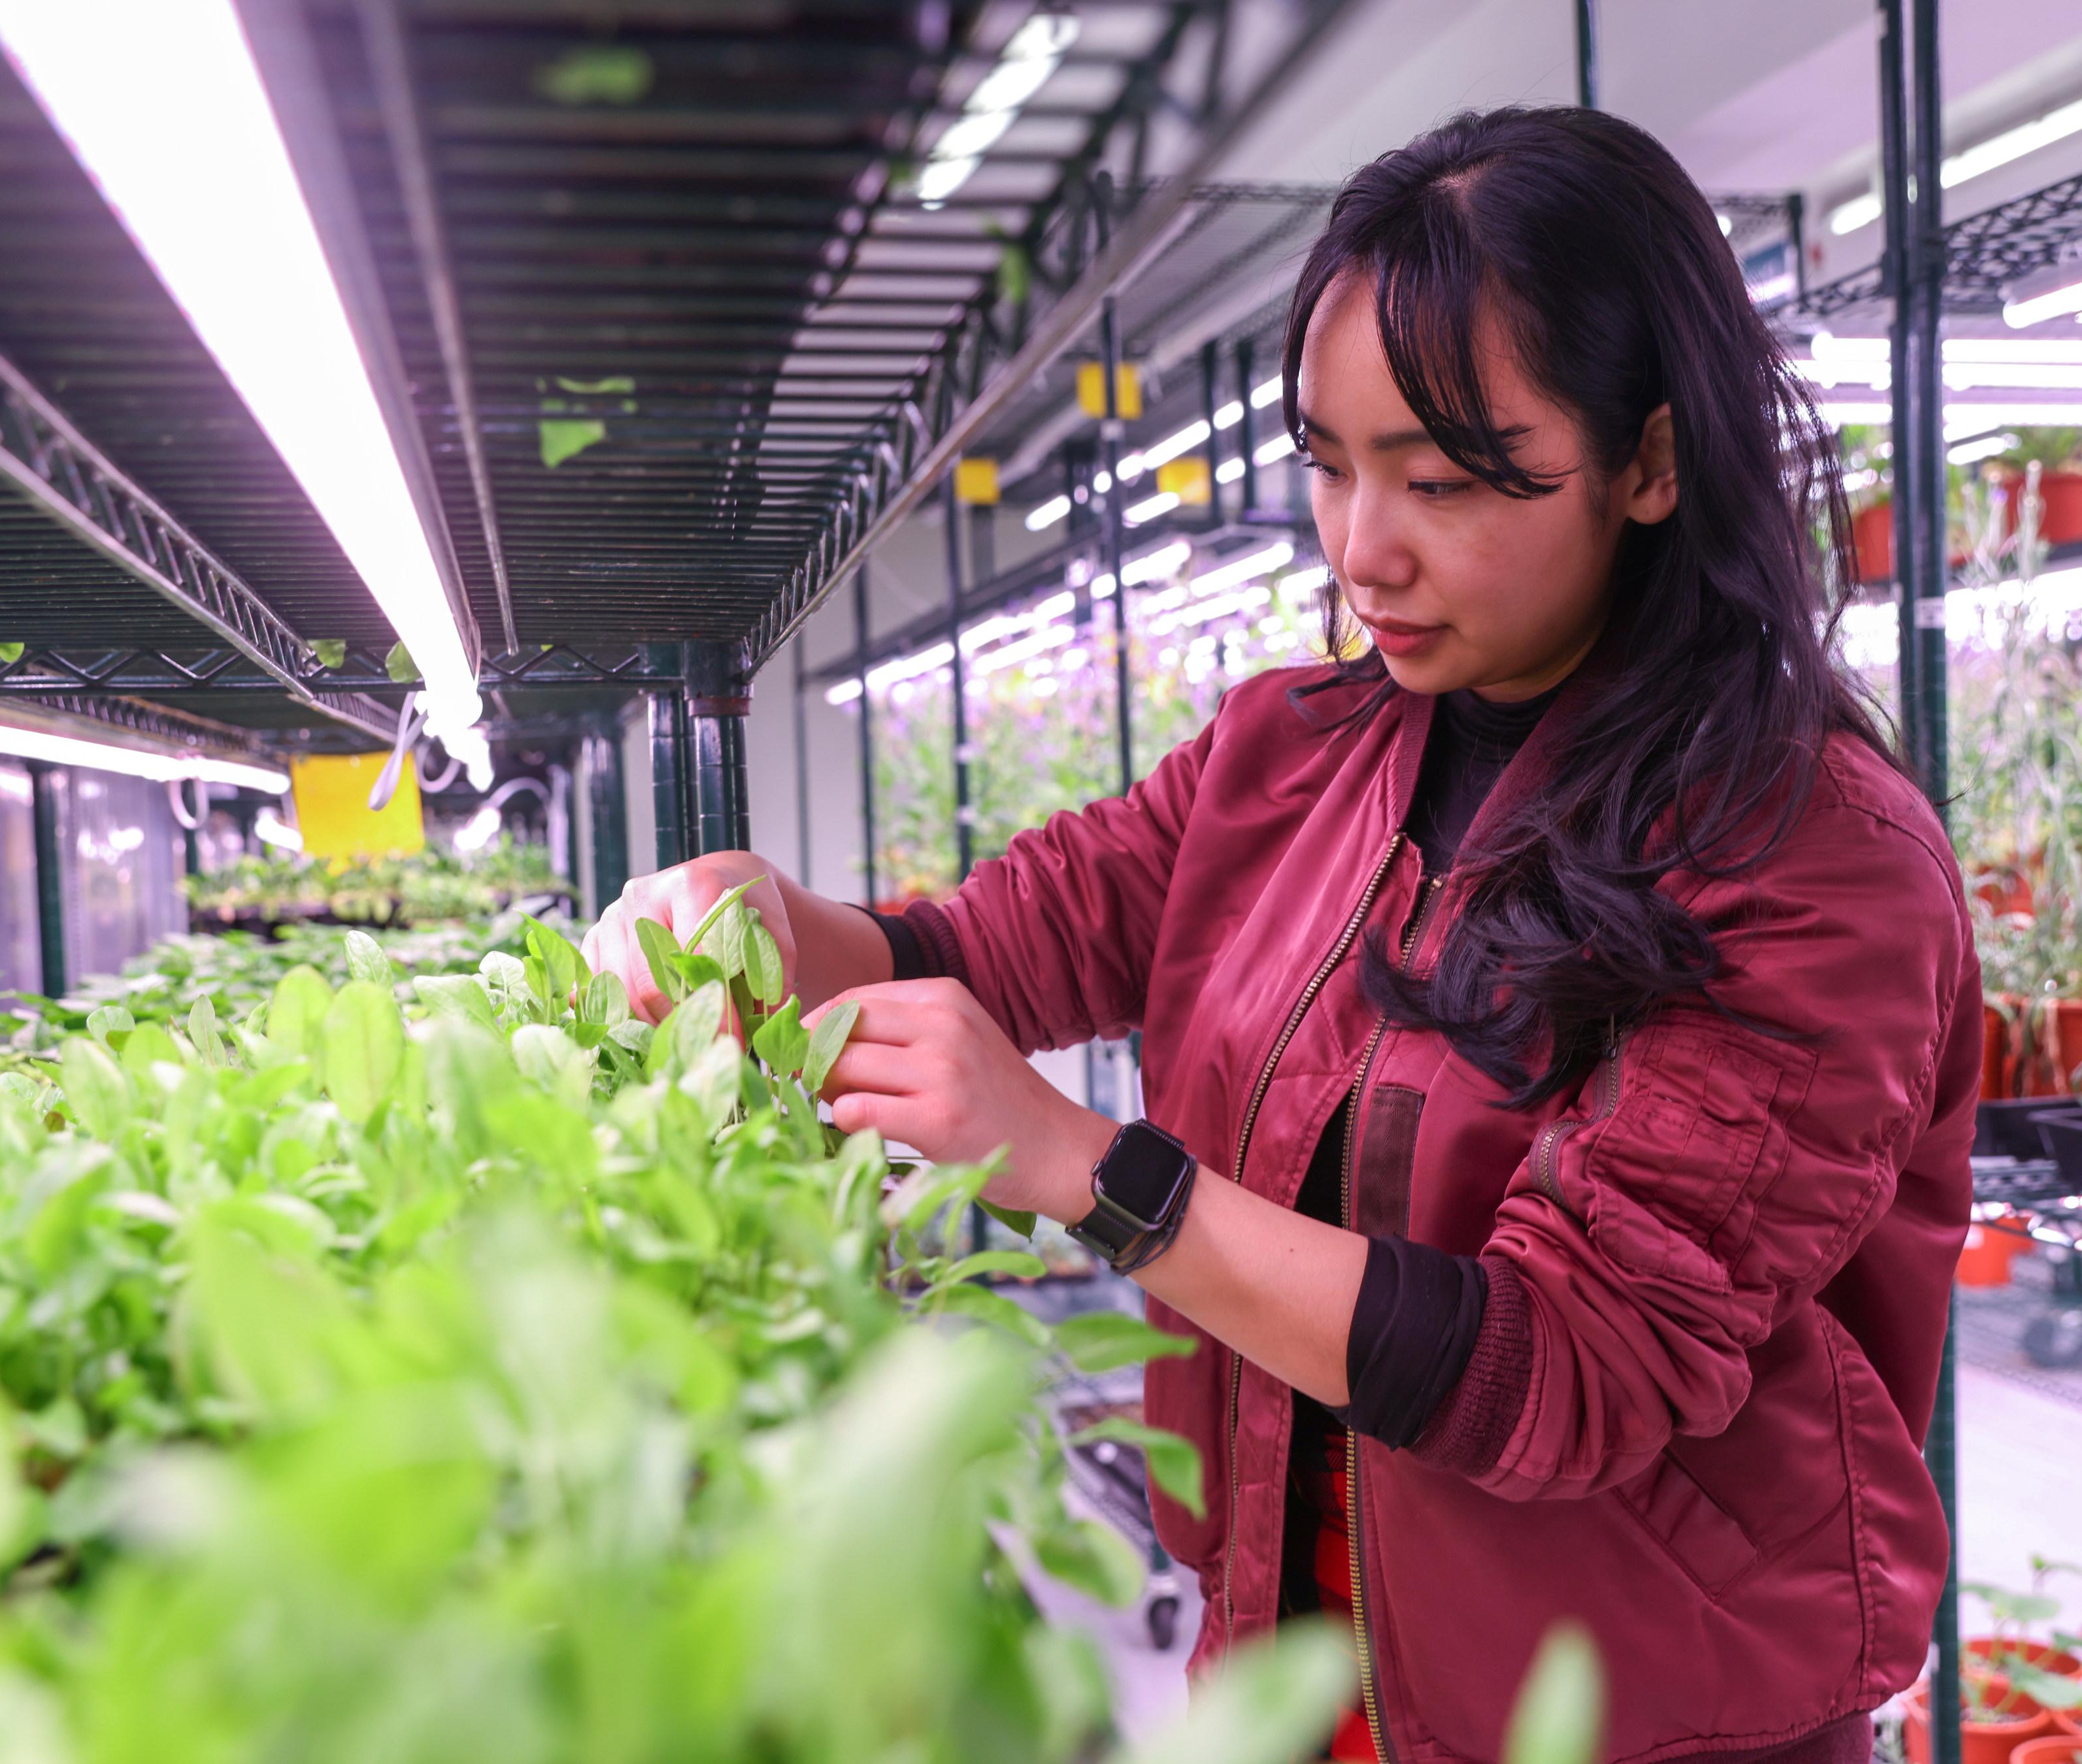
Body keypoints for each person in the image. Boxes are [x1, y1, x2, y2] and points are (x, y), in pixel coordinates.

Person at [590, 107, 1975, 1762]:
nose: (1358, 549)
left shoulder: (1813, 858)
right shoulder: (1291, 755)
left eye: (1446, 479)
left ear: (1653, 464)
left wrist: (1095, 1172)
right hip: (1297, 1665)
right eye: (1327, 462)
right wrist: (771, 925)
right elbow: (997, 944)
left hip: (1639, 1715)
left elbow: (1567, 1369)